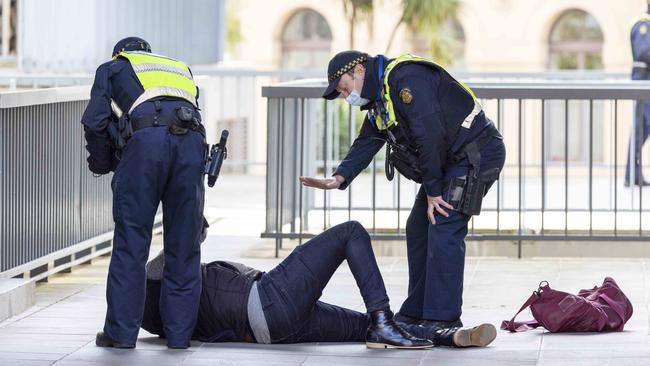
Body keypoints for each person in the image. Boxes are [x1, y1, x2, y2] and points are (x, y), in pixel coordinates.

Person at [299, 51, 506, 329]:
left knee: (443, 225)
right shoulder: (380, 98)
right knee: (418, 227)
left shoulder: (407, 79)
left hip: (476, 154)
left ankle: (441, 319)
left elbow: (429, 136)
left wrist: (433, 191)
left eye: (345, 89)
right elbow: (369, 138)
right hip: (449, 161)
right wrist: (339, 177)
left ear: (359, 70)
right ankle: (416, 312)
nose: (347, 97)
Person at [142, 221, 497, 349]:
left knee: (366, 329)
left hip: (274, 331)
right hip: (267, 301)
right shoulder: (150, 290)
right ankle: (387, 320)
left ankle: (446, 336)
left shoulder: (163, 315)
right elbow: (182, 243)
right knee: (350, 233)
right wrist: (190, 209)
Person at [81, 37, 206, 349]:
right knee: (184, 246)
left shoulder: (113, 67)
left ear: (121, 53)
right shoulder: (179, 68)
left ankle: (121, 335)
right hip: (191, 146)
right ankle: (178, 337)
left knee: (132, 244)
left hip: (147, 149)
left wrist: (103, 162)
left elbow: (95, 121)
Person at [627, 2, 650, 187]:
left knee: (640, 130)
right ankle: (631, 174)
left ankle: (632, 174)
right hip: (645, 84)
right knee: (640, 128)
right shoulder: (644, 23)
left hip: (645, 85)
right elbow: (644, 52)